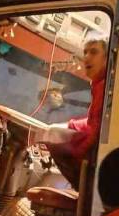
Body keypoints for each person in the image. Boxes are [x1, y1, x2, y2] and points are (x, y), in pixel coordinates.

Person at [39, 33, 108, 189]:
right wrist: (71, 125)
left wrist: (76, 156)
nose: (87, 57)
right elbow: (93, 120)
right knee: (53, 131)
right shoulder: (98, 83)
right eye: (85, 52)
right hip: (91, 143)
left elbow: (97, 132)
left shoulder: (106, 86)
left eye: (94, 52)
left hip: (93, 159)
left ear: (107, 58)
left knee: (52, 135)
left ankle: (82, 189)